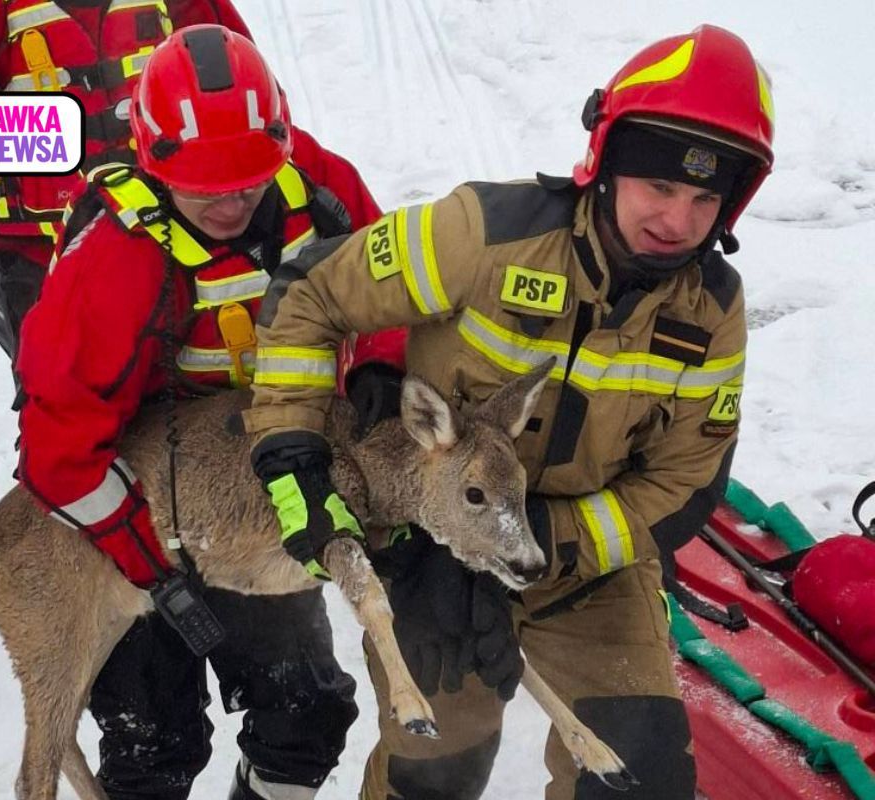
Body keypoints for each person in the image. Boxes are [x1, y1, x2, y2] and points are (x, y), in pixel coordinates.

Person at [244, 24, 774, 799]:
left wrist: (542, 544)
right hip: (435, 541)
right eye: (660, 186)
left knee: (638, 779)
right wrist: (293, 441)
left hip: (585, 558)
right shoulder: (484, 233)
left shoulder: (712, 311)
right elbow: (315, 289)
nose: (677, 220)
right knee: (436, 770)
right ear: (608, 165)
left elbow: (685, 481)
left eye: (704, 198)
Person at [14, 25, 391, 799]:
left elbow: (391, 294)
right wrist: (151, 569)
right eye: (206, 185)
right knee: (152, 742)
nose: (231, 200)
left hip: (264, 487)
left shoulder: (314, 186)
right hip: (132, 500)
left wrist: (380, 380)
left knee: (308, 711)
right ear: (154, 160)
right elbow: (57, 451)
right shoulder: (114, 259)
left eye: (248, 179)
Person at [0, 0, 253, 361]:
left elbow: (235, 76)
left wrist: (280, 187)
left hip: (178, 227)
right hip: (43, 260)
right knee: (63, 400)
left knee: (206, 376)